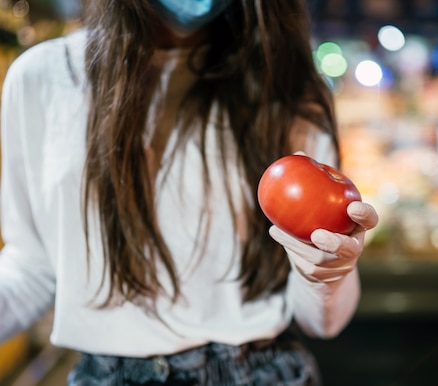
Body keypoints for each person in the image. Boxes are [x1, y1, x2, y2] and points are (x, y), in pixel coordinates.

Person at [0, 0, 379, 385]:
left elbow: (323, 322)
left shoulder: (286, 86)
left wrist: (325, 274)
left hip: (260, 369)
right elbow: (32, 269)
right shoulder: (41, 78)